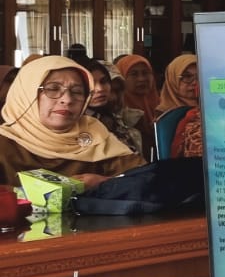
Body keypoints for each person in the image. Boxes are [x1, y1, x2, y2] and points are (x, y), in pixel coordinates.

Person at [0, 56, 143, 189]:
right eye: (53, 89)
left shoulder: (93, 134)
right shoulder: (5, 144)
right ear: (26, 94)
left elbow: (147, 178)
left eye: (77, 91)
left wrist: (105, 183)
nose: (67, 100)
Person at [77, 57, 149, 158]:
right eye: (91, 83)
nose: (100, 89)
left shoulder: (118, 121)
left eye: (104, 81)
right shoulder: (73, 124)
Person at [157, 53, 204, 159]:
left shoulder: (211, 112)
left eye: (199, 76)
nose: (195, 82)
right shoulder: (163, 117)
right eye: (187, 76)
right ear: (172, 79)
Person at [114, 54, 160, 137]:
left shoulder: (163, 108)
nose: (141, 79)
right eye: (134, 74)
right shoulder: (116, 112)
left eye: (145, 73)